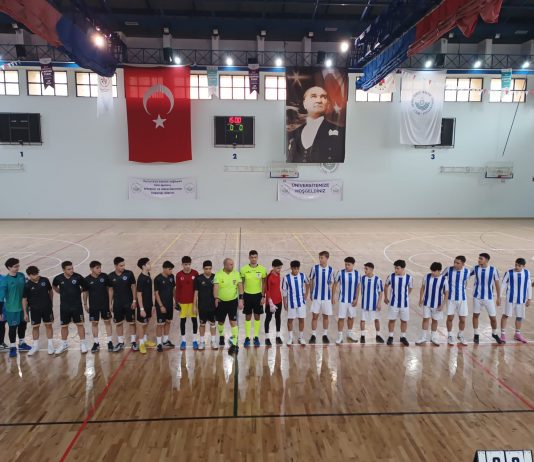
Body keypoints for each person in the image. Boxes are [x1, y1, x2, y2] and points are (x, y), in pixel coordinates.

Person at [286, 85, 345, 163]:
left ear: (328, 104)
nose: (319, 100)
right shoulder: (293, 133)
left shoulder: (341, 132)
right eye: (313, 96)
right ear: (304, 104)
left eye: (323, 97)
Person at [52, 261, 88, 355]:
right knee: (64, 326)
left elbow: (85, 287)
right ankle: (64, 344)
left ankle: (83, 343)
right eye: (69, 269)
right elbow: (54, 286)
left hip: (77, 306)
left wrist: (78, 292)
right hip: (64, 306)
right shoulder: (58, 278)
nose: (71, 270)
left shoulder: (78, 277)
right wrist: (61, 292)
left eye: (72, 268)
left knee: (80, 324)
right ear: (63, 270)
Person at [0, 258, 31, 357]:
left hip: (23, 307)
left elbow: (26, 290)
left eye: (18, 266)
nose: (17, 268)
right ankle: (13, 347)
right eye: (15, 266)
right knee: (13, 328)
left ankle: (22, 343)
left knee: (23, 325)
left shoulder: (21, 275)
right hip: (12, 309)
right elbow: (1, 298)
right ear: (9, 267)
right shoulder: (5, 280)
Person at [22, 266, 54, 356]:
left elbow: (50, 291)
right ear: (29, 275)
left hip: (47, 308)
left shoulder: (45, 280)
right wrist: (25, 313)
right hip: (34, 310)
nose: (36, 276)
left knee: (49, 326)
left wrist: (50, 302)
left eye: (37, 274)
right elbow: (24, 299)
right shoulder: (27, 285)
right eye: (33, 275)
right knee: (35, 327)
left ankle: (50, 345)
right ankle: (35, 346)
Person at [214, 258, 243, 355]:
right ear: (225, 265)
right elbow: (216, 287)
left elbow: (240, 286)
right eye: (230, 264)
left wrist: (241, 299)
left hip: (232, 302)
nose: (232, 266)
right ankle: (221, 336)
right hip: (221, 302)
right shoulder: (218, 274)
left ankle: (234, 343)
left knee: (233, 322)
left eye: (232, 264)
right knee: (220, 321)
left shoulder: (236, 274)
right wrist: (216, 298)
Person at [470, 253, 502, 344]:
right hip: (477, 297)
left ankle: (494, 333)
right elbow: (465, 275)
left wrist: (498, 297)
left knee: (493, 318)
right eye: (479, 258)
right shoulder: (475, 268)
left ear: (486, 260)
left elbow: (497, 284)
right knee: (476, 316)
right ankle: (476, 334)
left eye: (481, 259)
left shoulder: (493, 270)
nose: (479, 260)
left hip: (489, 298)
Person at [83, 260, 114, 353]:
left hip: (105, 305)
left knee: (107, 322)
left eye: (100, 267)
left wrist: (110, 303)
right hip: (94, 306)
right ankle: (96, 343)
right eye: (97, 268)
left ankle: (110, 342)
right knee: (94, 323)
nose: (99, 269)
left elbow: (110, 289)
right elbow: (85, 293)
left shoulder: (104, 276)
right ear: (91, 269)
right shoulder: (87, 280)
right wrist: (85, 304)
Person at [416, 262, 449, 346]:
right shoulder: (426, 277)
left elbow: (446, 293)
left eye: (434, 271)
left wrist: (442, 305)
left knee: (435, 320)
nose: (432, 273)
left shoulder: (444, 280)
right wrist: (420, 299)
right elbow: (423, 288)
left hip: (437, 304)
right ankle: (423, 337)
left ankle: (433, 337)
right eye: (432, 271)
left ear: (439, 271)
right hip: (426, 303)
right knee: (425, 319)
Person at [500, 258, 531, 343]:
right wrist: (499, 296)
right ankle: (503, 334)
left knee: (519, 317)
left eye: (519, 266)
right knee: (506, 315)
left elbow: (528, 285)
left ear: (523, 266)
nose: (517, 267)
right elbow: (503, 284)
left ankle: (517, 334)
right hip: (510, 299)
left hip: (521, 299)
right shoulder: (509, 272)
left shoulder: (527, 273)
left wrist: (529, 298)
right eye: (516, 265)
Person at [109, 257, 137, 352]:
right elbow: (110, 290)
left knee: (132, 322)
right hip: (117, 303)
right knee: (118, 323)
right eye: (121, 266)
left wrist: (134, 300)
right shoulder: (110, 276)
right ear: (115, 266)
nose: (123, 267)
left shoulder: (129, 273)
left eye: (124, 265)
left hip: (129, 302)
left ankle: (133, 342)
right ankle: (120, 342)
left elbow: (133, 287)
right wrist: (110, 303)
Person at [240, 250, 267, 348]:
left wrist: (263, 296)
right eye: (252, 257)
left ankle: (256, 337)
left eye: (255, 257)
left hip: (258, 296)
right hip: (247, 295)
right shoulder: (243, 269)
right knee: (248, 316)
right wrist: (241, 297)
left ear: (257, 257)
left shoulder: (262, 269)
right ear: (249, 258)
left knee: (257, 316)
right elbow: (241, 283)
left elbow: (264, 284)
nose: (253, 259)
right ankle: (247, 337)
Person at [384, 259, 413, 346]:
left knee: (404, 321)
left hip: (404, 304)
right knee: (392, 320)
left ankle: (403, 337)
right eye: (395, 268)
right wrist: (385, 297)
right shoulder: (391, 276)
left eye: (397, 268)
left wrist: (406, 296)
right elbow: (386, 286)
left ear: (403, 268)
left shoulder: (409, 278)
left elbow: (410, 288)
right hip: (393, 303)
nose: (395, 270)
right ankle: (390, 336)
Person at [442, 256, 470, 346]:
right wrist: (444, 291)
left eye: (457, 263)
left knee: (462, 319)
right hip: (451, 299)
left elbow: (465, 283)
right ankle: (450, 335)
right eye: (454, 262)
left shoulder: (467, 271)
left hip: (462, 299)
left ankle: (460, 335)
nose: (455, 264)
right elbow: (441, 279)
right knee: (450, 318)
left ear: (463, 264)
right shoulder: (448, 269)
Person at [308, 251, 334, 344]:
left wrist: (331, 292)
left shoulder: (331, 270)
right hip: (316, 297)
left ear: (327, 258)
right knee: (314, 316)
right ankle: (313, 335)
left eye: (322, 257)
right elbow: (311, 280)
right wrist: (311, 292)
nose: (320, 259)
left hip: (326, 298)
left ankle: (325, 335)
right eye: (319, 257)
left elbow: (331, 282)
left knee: (325, 317)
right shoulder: (314, 268)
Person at [333, 256, 360, 344]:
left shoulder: (357, 274)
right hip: (343, 300)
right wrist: (333, 296)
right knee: (341, 318)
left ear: (353, 265)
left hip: (352, 301)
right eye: (345, 264)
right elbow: (335, 284)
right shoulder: (340, 273)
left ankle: (350, 333)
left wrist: (356, 298)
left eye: (348, 265)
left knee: (351, 317)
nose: (346, 266)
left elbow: (358, 286)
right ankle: (340, 336)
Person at [282, 260, 309, 346]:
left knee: (301, 319)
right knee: (290, 320)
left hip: (301, 302)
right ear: (291, 268)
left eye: (297, 268)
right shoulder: (286, 278)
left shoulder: (303, 275)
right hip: (291, 303)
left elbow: (308, 284)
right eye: (294, 269)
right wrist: (284, 303)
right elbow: (284, 291)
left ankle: (301, 337)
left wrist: (306, 295)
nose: (296, 270)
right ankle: (290, 338)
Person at [175, 256, 199, 350]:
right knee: (183, 321)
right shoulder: (178, 275)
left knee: (194, 320)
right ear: (182, 264)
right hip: (183, 303)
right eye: (185, 264)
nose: (187, 266)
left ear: (190, 263)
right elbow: (177, 289)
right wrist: (176, 302)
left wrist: (196, 302)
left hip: (193, 302)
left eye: (189, 264)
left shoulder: (195, 273)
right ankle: (183, 341)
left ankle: (195, 340)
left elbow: (197, 289)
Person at [194, 260, 217, 350]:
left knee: (213, 324)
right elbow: (196, 293)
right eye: (206, 269)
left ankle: (213, 341)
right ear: (203, 269)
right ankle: (202, 341)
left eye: (210, 269)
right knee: (202, 324)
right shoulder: (199, 279)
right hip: (202, 306)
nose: (208, 270)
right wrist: (194, 306)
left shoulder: (215, 277)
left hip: (212, 306)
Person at [154, 260, 176, 352]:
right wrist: (161, 306)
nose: (171, 271)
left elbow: (173, 290)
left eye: (171, 269)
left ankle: (165, 341)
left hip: (170, 304)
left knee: (168, 322)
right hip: (161, 305)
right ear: (164, 269)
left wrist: (176, 301)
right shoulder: (157, 279)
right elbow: (156, 293)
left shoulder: (171, 277)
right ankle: (159, 344)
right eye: (169, 269)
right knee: (160, 324)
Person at [359, 262, 384, 344]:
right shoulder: (362, 278)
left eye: (366, 269)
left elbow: (381, 292)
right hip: (365, 304)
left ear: (371, 269)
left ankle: (378, 335)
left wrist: (379, 303)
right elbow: (362, 290)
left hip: (374, 304)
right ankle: (362, 336)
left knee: (376, 319)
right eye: (364, 269)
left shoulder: (378, 279)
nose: (365, 270)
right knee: (363, 320)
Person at [136, 258, 157, 354]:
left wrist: (151, 304)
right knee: (141, 324)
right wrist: (141, 309)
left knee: (146, 322)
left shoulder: (148, 275)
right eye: (148, 263)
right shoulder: (141, 279)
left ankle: (144, 340)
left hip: (148, 304)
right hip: (143, 306)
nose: (150, 265)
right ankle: (141, 344)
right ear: (143, 266)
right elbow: (139, 294)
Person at [264, 259, 283, 346]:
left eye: (280, 268)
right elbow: (267, 290)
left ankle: (278, 336)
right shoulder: (269, 277)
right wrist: (270, 302)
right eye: (278, 268)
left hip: (279, 301)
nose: (279, 270)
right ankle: (267, 338)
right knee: (268, 319)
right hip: (271, 303)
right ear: (273, 267)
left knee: (278, 318)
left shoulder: (278, 274)